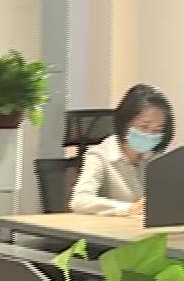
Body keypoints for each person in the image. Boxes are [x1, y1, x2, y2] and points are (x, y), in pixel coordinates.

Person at [70, 84, 174, 217]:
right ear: (125, 122)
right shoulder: (99, 155)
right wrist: (128, 208)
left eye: (157, 130)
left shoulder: (158, 158)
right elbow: (79, 201)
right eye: (144, 126)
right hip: (111, 228)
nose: (150, 134)